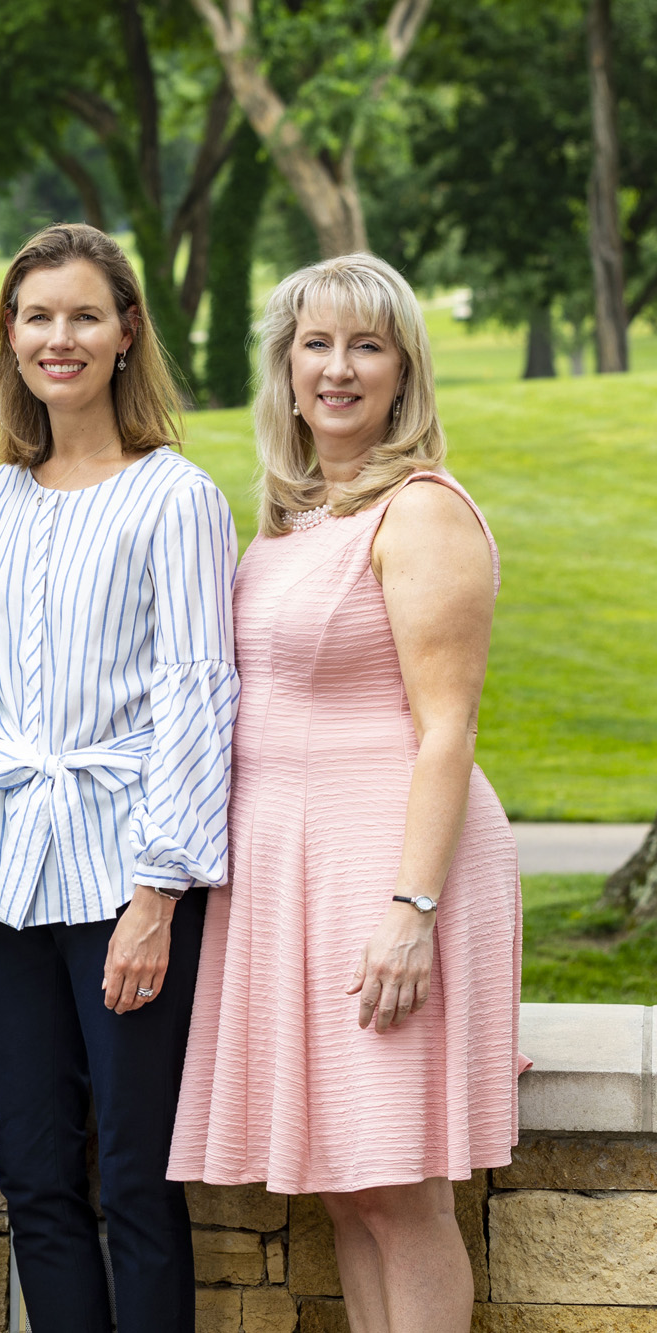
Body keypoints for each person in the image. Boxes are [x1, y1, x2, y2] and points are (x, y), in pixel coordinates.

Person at [168, 253, 524, 1332]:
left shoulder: (418, 512)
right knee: (346, 1186)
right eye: (313, 344)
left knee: (399, 1184)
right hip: (292, 880)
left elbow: (445, 729)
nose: (335, 368)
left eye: (364, 345)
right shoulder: (292, 517)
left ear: (402, 372)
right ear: (282, 369)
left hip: (388, 873)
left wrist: (408, 912)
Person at [0, 223, 238, 1333]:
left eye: (82, 316)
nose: (58, 338)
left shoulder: (175, 496)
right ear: (8, 337)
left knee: (137, 1182)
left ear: (123, 334)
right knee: (36, 1181)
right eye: (36, 316)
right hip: (6, 882)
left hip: (123, 884)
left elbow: (196, 697)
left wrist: (157, 895)